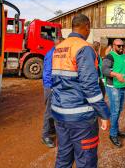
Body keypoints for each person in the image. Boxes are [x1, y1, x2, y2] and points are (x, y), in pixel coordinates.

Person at [51, 14, 110, 168]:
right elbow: (90, 86)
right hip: (80, 118)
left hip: (59, 113)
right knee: (86, 161)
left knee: (63, 158)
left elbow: (55, 80)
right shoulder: (84, 48)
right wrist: (103, 114)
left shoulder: (59, 48)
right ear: (87, 27)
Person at [41, 37, 64, 148]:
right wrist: (51, 87)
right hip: (50, 87)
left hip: (55, 86)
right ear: (58, 44)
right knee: (49, 111)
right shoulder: (51, 54)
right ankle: (45, 135)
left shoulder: (58, 54)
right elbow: (47, 73)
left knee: (55, 110)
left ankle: (51, 130)